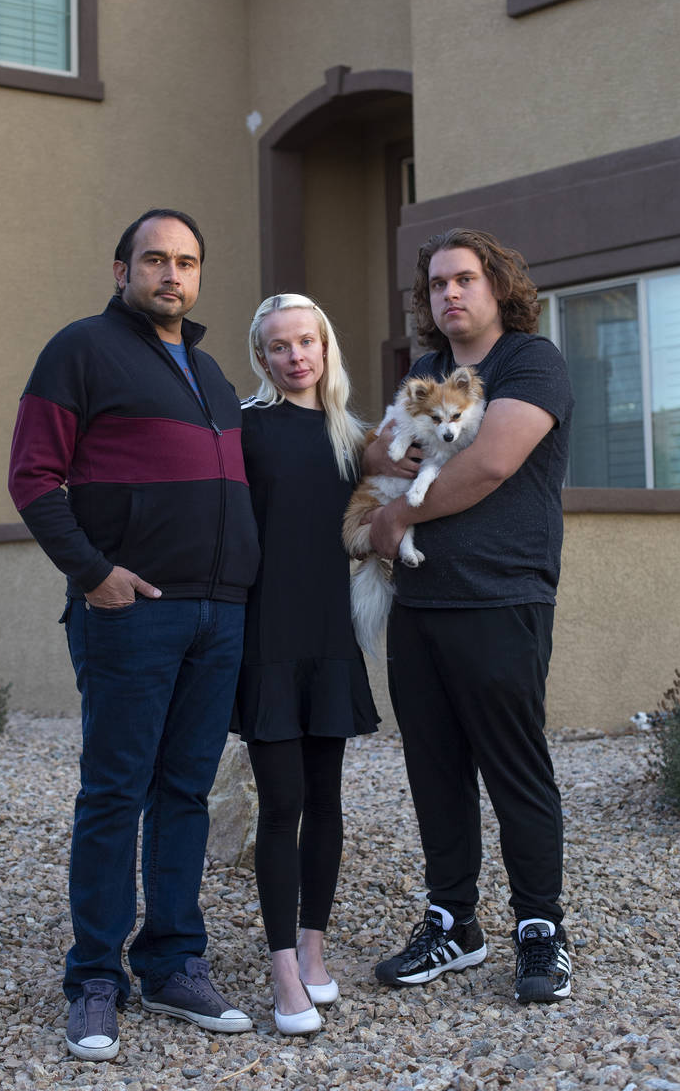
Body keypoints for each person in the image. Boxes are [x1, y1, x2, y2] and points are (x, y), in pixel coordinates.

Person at [7, 209, 260, 1061]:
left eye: (187, 262)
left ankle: (175, 962)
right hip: (131, 612)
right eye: (155, 259)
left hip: (217, 614)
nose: (172, 275)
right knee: (115, 793)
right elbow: (33, 474)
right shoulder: (80, 349)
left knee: (187, 791)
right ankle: (94, 979)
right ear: (122, 270)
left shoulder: (216, 373)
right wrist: (91, 571)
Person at [364, 227, 574, 1004]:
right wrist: (381, 463)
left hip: (501, 597)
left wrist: (394, 523)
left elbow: (490, 462)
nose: (448, 294)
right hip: (419, 603)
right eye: (436, 286)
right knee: (435, 770)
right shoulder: (424, 370)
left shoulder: (530, 362)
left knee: (515, 769)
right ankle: (453, 922)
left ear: (497, 287)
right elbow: (376, 451)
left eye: (464, 280)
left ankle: (540, 930)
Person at [234, 293, 380, 1035]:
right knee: (282, 804)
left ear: (326, 347)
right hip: (268, 642)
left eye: (307, 342)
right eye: (280, 346)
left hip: (330, 640)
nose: (296, 356)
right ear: (262, 358)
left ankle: (316, 948)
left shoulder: (351, 436)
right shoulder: (244, 428)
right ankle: (282, 964)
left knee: (328, 802)